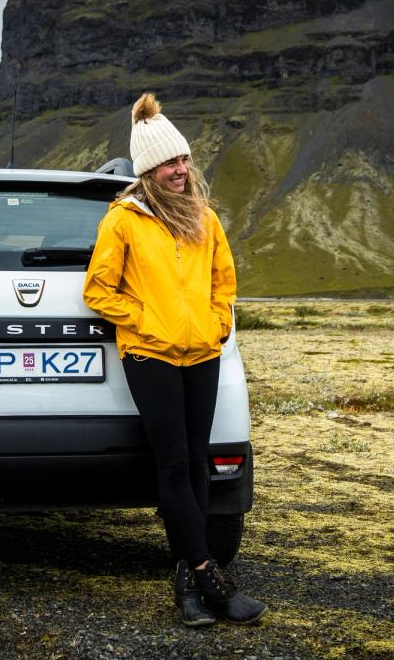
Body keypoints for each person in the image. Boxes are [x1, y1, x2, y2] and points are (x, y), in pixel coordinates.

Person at [83, 92, 267, 628]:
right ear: (148, 170)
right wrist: (145, 320)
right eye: (170, 162)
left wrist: (216, 323)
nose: (181, 169)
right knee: (173, 465)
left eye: (184, 159)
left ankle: (188, 586)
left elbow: (223, 282)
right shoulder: (124, 221)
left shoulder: (204, 218)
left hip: (202, 352)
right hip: (151, 356)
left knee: (199, 463)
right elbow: (98, 290)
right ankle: (210, 576)